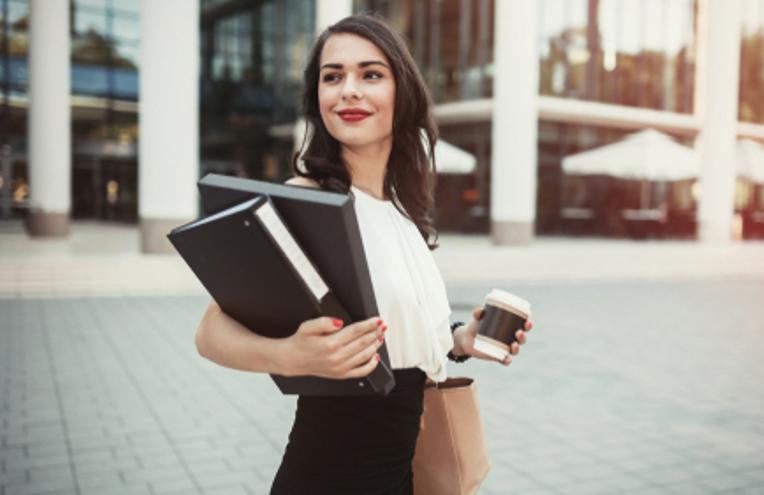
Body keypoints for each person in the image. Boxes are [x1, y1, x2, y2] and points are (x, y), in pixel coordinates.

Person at [194, 14, 534, 495]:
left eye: (370, 74)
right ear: (318, 98)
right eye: (333, 77)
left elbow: (399, 340)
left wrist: (461, 340)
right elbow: (209, 332)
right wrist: (290, 355)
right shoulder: (304, 200)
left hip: (402, 473)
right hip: (333, 474)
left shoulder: (401, 209)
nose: (348, 90)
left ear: (403, 92)